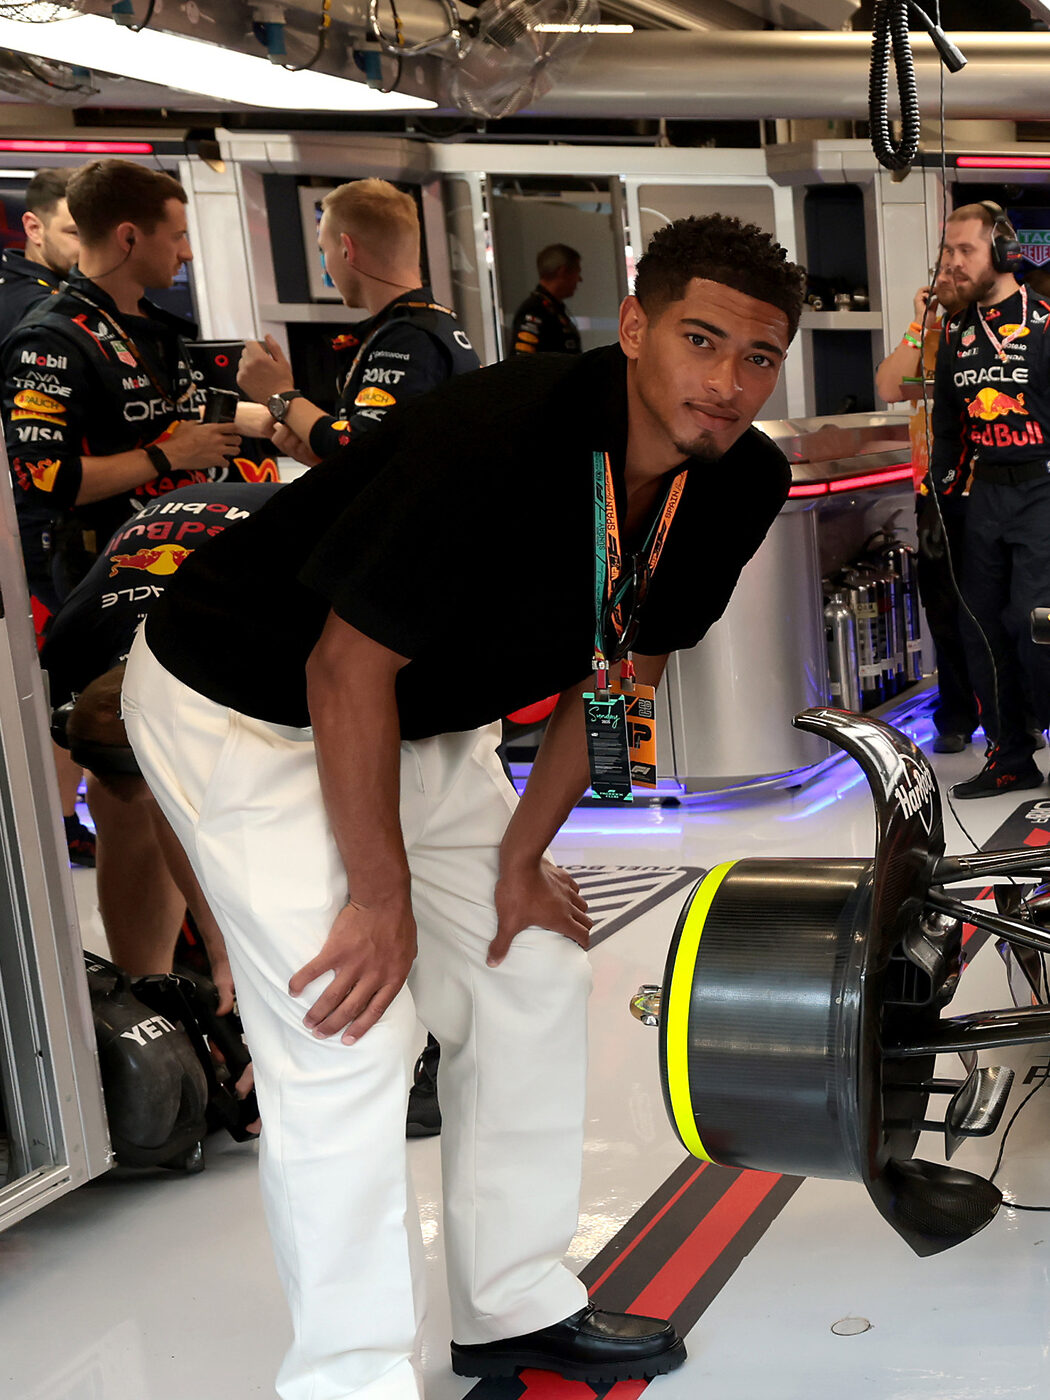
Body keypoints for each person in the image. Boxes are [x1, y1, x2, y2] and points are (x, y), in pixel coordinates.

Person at [122, 212, 804, 1400]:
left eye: (758, 357)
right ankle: (351, 1377)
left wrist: (524, 857)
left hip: (421, 717)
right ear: (633, 326)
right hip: (245, 703)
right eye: (701, 339)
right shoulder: (501, 433)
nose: (727, 382)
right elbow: (343, 667)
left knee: (530, 965)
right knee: (349, 1024)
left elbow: (625, 676)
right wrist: (379, 899)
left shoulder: (738, 480)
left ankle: (513, 1301)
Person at [41, 481, 280, 1003]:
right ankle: (147, 993)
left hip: (286, 540)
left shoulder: (247, 638)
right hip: (175, 557)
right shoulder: (66, 655)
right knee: (125, 806)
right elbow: (157, 796)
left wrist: (228, 946)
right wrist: (220, 945)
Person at [1, 158, 242, 613]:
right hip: (103, 574)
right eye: (177, 236)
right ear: (129, 238)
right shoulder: (50, 337)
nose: (187, 253)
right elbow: (41, 477)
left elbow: (166, 419)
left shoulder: (156, 328)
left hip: (176, 558)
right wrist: (169, 455)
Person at [931, 201, 1050, 797]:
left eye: (965, 251)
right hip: (983, 499)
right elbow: (948, 428)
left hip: (1044, 492)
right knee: (980, 627)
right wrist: (938, 497)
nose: (952, 262)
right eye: (947, 251)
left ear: (1003, 252)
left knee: (1035, 624)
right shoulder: (954, 334)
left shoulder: (1045, 324)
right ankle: (1010, 756)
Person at [237, 178, 479, 467]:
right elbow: (388, 454)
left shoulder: (409, 338)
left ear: (346, 250)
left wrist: (280, 395)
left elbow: (359, 445)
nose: (326, 264)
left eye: (323, 249)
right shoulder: (424, 325)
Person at [876, 258, 980, 753]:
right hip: (935, 494)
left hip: (998, 489)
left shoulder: (1006, 333)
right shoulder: (928, 338)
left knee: (1003, 608)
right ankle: (957, 716)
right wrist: (921, 323)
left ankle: (1018, 714)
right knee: (944, 609)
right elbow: (887, 387)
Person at [0, 167, 79, 345]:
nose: (92, 247)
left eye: (97, 235)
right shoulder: (44, 309)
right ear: (34, 229)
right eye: (76, 233)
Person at [509, 243, 583, 356]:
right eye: (577, 272)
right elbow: (522, 361)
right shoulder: (534, 310)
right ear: (563, 272)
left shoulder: (553, 308)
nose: (580, 279)